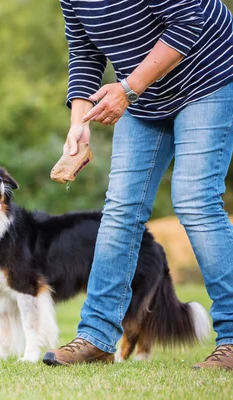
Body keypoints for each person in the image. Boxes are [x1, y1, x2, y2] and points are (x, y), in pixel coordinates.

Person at [43, 0, 233, 369]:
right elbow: (84, 50)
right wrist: (78, 124)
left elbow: (190, 19)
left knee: (195, 199)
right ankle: (96, 338)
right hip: (143, 97)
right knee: (120, 210)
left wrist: (128, 88)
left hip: (207, 77)